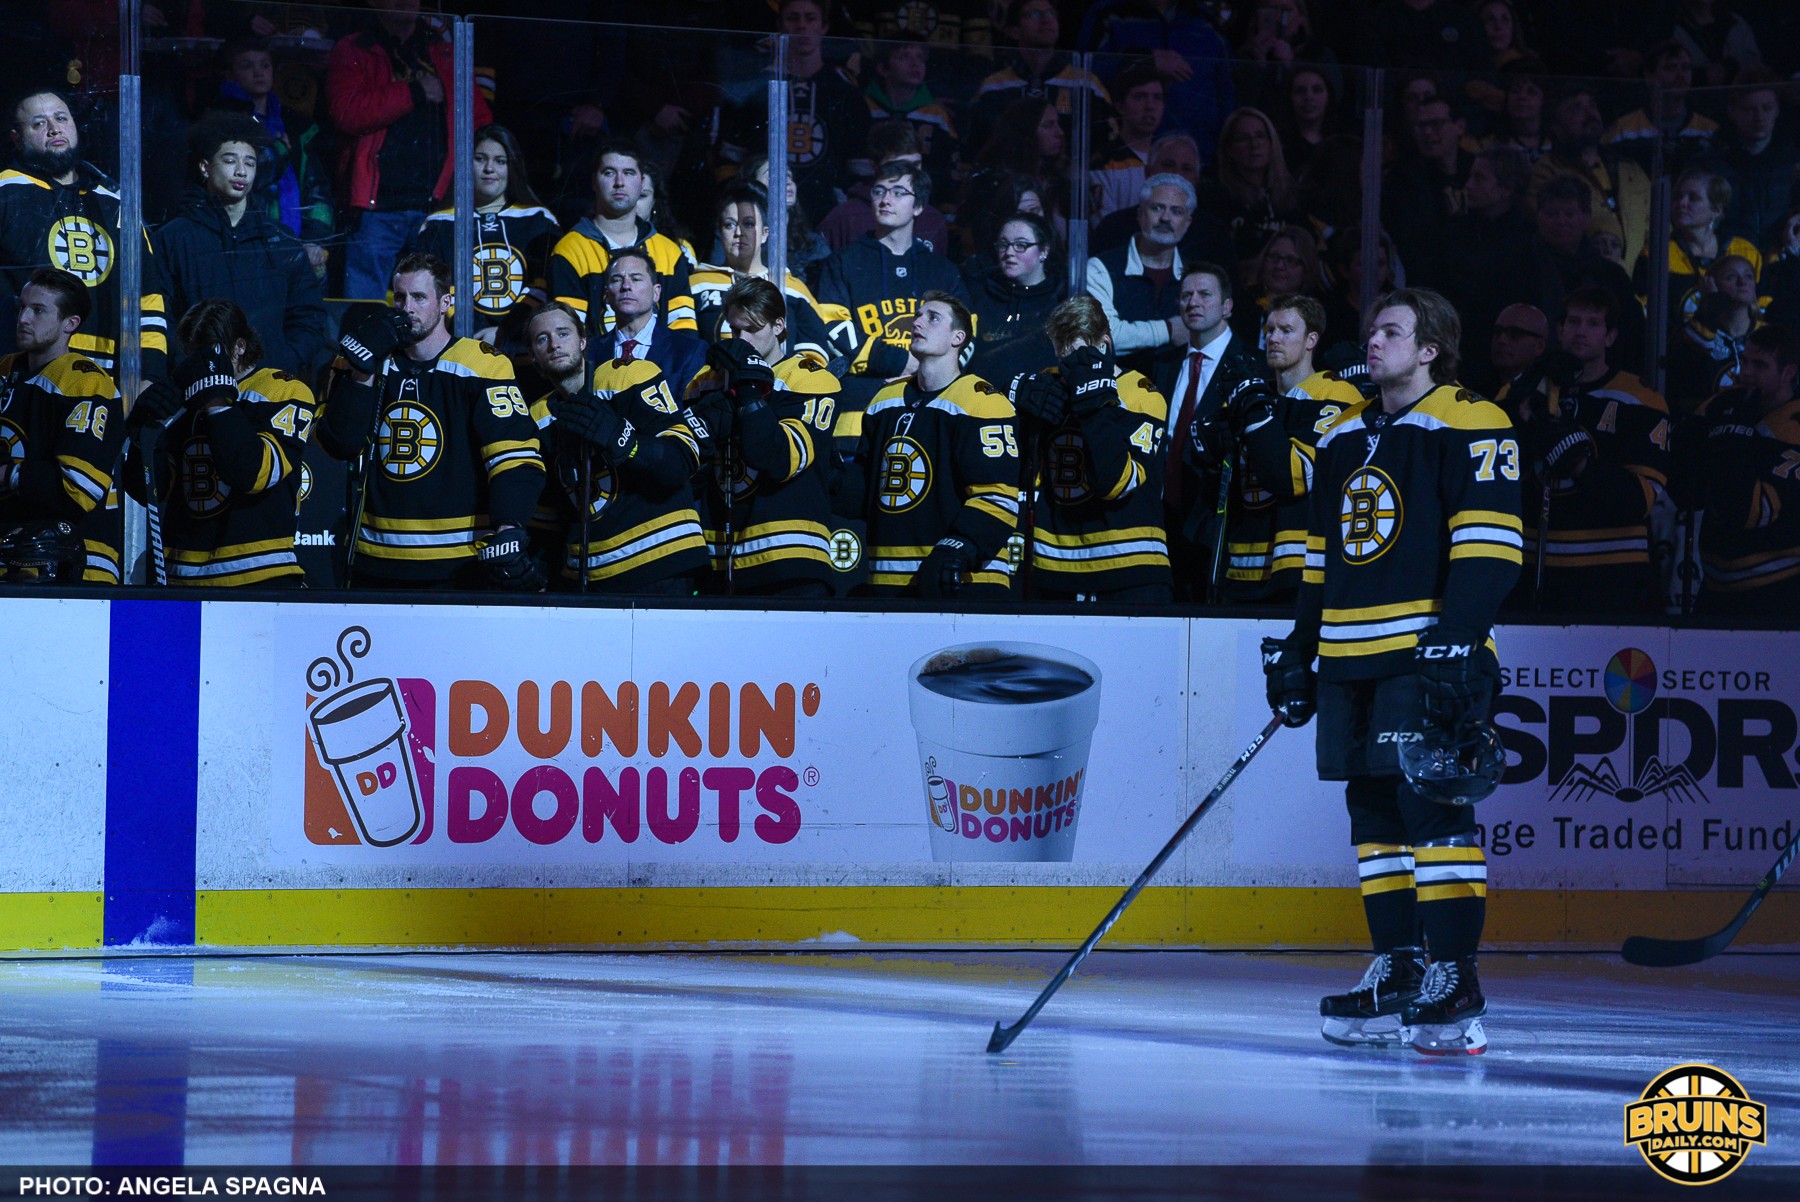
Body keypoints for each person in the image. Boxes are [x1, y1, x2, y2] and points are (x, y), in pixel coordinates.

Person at [1263, 287, 1520, 1055]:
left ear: (1430, 348)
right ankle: (1399, 970)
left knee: (1436, 813)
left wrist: (1458, 638)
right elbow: (1319, 560)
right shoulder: (1342, 434)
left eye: (1391, 332)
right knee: (1374, 820)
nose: (1372, 342)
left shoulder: (1473, 420)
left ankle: (1455, 976)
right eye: (1371, 329)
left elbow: (1490, 546)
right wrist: (1299, 653)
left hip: (1424, 655)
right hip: (1348, 658)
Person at [314, 252, 545, 591]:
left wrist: (509, 527)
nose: (407, 307)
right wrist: (360, 371)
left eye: (420, 297)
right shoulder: (364, 363)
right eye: (401, 297)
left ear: (445, 303)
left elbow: (515, 458)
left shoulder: (481, 365)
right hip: (376, 560)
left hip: (460, 563)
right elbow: (341, 444)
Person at [834, 292, 1019, 598]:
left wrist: (959, 548)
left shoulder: (983, 402)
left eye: (932, 317)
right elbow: (869, 492)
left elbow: (998, 498)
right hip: (888, 584)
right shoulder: (883, 401)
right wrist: (832, 474)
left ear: (958, 337)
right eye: (918, 316)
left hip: (966, 583)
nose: (917, 322)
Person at [524, 301, 711, 595]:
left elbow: (682, 460)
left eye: (563, 334)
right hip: (588, 579)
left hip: (663, 562)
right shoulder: (538, 417)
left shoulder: (629, 375)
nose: (554, 345)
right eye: (542, 339)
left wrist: (624, 441)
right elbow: (549, 515)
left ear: (583, 341)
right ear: (533, 356)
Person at [125, 299, 313, 586]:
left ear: (239, 346)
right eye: (192, 353)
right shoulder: (184, 401)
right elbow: (151, 490)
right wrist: (143, 437)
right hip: (183, 579)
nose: (199, 363)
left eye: (209, 352)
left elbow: (250, 473)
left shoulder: (282, 389)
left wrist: (216, 401)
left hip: (258, 575)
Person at [1508, 287, 1672, 615]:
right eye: (1575, 321)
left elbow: (1640, 501)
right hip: (1530, 566)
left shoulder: (1640, 399)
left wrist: (1580, 464)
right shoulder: (1523, 389)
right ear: (1560, 330)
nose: (1582, 330)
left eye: (1594, 323)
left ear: (1610, 337)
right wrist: (1518, 417)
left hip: (1611, 571)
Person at [686, 279, 842, 597]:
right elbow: (690, 471)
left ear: (779, 325)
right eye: (735, 330)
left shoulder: (811, 378)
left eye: (752, 329)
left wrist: (747, 387)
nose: (741, 340)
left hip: (790, 558)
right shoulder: (704, 382)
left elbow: (778, 458)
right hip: (720, 562)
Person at [327, 0, 492, 301]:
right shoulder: (354, 48)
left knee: (433, 306)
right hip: (376, 208)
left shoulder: (443, 51)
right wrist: (414, 91)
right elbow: (346, 113)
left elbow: (478, 120)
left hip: (437, 204)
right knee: (365, 310)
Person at [1009, 296, 1171, 602]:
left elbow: (1116, 483)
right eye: (1063, 359)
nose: (1071, 369)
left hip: (1131, 567)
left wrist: (1096, 404)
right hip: (1055, 568)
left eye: (1080, 355)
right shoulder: (1048, 385)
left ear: (1105, 344)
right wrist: (1013, 391)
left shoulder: (1142, 394)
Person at [0, 90, 169, 382]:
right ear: (16, 137)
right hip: (21, 374)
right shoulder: (6, 192)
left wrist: (149, 374)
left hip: (110, 377)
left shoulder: (114, 201)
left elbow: (148, 295)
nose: (54, 128)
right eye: (39, 124)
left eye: (61, 118)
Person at [1206, 293, 1364, 602]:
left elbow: (1293, 476)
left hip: (1298, 570)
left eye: (1286, 330)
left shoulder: (1333, 392)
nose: (1274, 338)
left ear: (1311, 339)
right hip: (1241, 570)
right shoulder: (1254, 392)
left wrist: (1253, 411)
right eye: (1269, 330)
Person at [152, 115, 328, 379]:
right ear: (204, 167)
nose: (241, 172)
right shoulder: (174, 238)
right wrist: (189, 366)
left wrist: (285, 360)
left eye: (250, 162)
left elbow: (308, 314)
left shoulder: (280, 239)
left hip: (270, 385)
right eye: (230, 160)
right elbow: (160, 317)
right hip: (198, 386)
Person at [0, 268, 123, 583]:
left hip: (77, 564)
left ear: (71, 324)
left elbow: (77, 489)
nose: (24, 318)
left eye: (38, 310)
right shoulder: (4, 371)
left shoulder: (85, 381)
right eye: (22, 307)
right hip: (14, 557)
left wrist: (5, 473)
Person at [1156, 262, 1270, 601]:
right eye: (1187, 295)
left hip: (1219, 524)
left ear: (1227, 306)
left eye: (1205, 294)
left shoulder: (1255, 365)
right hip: (1165, 520)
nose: (1194, 302)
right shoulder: (1164, 365)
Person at [1671, 323, 1800, 615]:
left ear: (1788, 373)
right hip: (1714, 589)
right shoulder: (1721, 405)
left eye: (1760, 365)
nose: (1746, 372)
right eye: (1745, 360)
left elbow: (1744, 510)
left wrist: (1731, 434)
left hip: (1780, 593)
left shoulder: (1794, 427)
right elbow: (1683, 488)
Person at [815, 161, 969, 384]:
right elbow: (832, 325)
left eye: (899, 192)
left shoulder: (941, 270)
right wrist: (896, 361)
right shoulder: (844, 262)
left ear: (918, 206)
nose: (886, 200)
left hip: (928, 395)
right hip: (863, 397)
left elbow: (966, 329)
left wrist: (936, 368)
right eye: (879, 191)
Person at [411, 124, 559, 352]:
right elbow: (433, 287)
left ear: (513, 167)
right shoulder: (439, 224)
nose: (489, 168)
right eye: (480, 159)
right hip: (459, 347)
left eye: (500, 161)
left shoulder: (539, 220)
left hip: (525, 350)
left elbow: (543, 286)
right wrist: (464, 329)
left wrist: (506, 332)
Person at [549, 141, 698, 349]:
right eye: (609, 173)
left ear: (642, 181)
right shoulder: (570, 250)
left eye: (628, 173)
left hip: (661, 376)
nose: (619, 182)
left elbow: (684, 331)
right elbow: (571, 334)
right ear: (593, 181)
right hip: (598, 375)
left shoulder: (669, 252)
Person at [211, 37, 333, 273]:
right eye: (247, 66)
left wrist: (315, 239)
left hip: (297, 247)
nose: (258, 72)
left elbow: (317, 189)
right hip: (247, 248)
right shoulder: (222, 123)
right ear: (230, 74)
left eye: (264, 65)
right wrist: (277, 151)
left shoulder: (296, 125)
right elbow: (240, 181)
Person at [690, 183, 840, 368]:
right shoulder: (697, 284)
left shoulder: (791, 288)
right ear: (720, 232)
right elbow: (683, 347)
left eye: (749, 224)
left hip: (781, 390)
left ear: (765, 233)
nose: (738, 233)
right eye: (729, 225)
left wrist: (789, 386)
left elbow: (814, 351)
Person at [1528, 86, 1652, 273]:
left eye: (1592, 105)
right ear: (1555, 127)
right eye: (1576, 108)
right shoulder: (1547, 172)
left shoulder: (1630, 169)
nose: (1590, 113)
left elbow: (1658, 222)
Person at [1086, 174, 1197, 382]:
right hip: (1112, 395)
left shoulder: (1196, 276)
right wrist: (1169, 329)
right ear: (1139, 215)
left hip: (1177, 396)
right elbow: (1103, 337)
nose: (1165, 218)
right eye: (1157, 208)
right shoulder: (1101, 268)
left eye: (1176, 211)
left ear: (1188, 222)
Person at [969, 0, 1112, 155]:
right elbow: (978, 146)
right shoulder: (994, 86)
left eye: (1051, 13)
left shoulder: (1086, 83)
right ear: (1014, 31)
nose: (1046, 20)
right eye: (1034, 14)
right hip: (1012, 176)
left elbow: (1108, 142)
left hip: (1069, 177)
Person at [816, 123, 954, 256]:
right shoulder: (843, 219)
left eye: (916, 164)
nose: (910, 173)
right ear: (874, 165)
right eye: (899, 167)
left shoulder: (933, 219)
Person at [964, 212, 1066, 383]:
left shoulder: (1061, 300)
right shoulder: (980, 293)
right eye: (1003, 245)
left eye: (1021, 245)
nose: (1009, 252)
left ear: (1044, 251)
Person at [1196, 107, 1306, 264]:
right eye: (1243, 138)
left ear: (1272, 143)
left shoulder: (1292, 194)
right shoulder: (1214, 197)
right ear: (1229, 149)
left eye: (1261, 136)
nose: (1254, 144)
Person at [599, 248, 707, 399]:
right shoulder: (591, 352)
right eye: (617, 279)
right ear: (606, 295)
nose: (626, 286)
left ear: (656, 293)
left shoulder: (689, 351)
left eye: (636, 279)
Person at [860, 39, 961, 193]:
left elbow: (949, 166)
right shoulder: (864, 107)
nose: (915, 64)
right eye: (904, 57)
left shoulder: (936, 115)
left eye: (920, 58)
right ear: (883, 68)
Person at [1603, 40, 1718, 173]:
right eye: (1670, 68)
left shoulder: (1709, 131)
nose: (1680, 75)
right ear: (1649, 75)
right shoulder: (1621, 131)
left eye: (1686, 68)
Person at [1668, 254, 1763, 413]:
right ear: (1711, 285)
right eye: (1731, 277)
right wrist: (1711, 302)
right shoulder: (1694, 331)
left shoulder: (1765, 333)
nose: (1742, 282)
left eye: (1748, 276)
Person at [1086, 64, 1166, 222]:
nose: (1150, 106)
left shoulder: (1170, 160)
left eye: (1157, 97)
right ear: (1120, 106)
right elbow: (1107, 228)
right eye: (1140, 97)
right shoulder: (1103, 164)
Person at [1484, 302, 1548, 398]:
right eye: (1497, 331)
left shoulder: (1548, 396)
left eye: (1514, 333)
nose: (1502, 340)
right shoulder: (1473, 386)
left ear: (1539, 346)